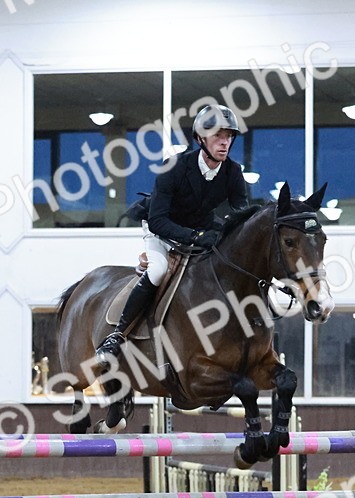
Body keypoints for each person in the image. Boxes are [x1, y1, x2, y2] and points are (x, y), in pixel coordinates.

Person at [94, 104, 250, 361]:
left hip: (199, 226)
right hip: (160, 229)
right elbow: (157, 221)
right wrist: (198, 237)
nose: (224, 142)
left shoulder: (233, 172)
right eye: (217, 136)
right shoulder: (175, 166)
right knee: (157, 270)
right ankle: (117, 336)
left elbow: (241, 215)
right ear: (201, 138)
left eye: (229, 136)